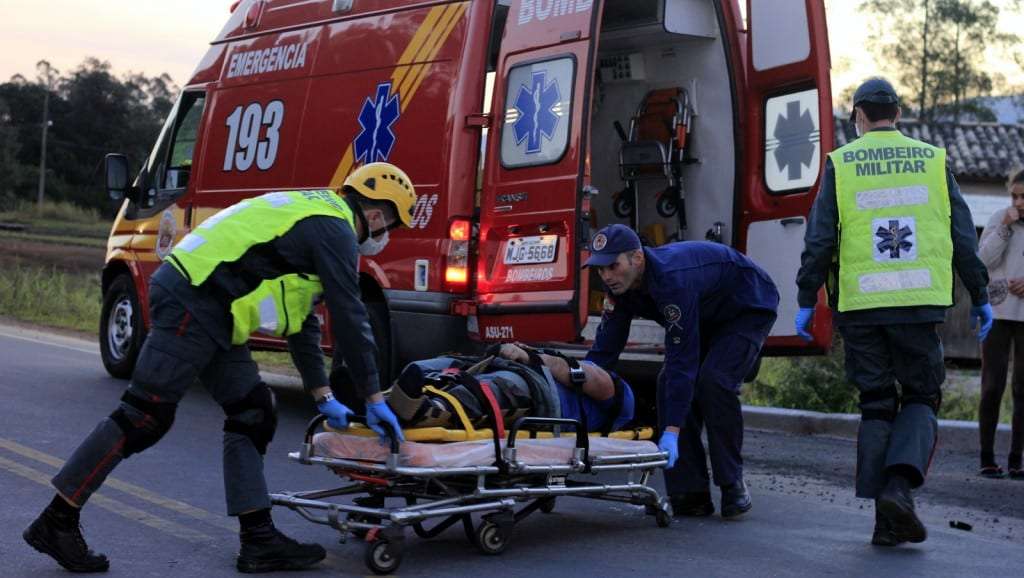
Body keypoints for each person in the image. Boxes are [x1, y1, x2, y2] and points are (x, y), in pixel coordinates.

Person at [23, 162, 415, 574]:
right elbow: (351, 316)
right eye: (391, 225)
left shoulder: (315, 213)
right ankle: (57, 521)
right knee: (144, 415)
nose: (386, 236)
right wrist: (374, 396)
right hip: (194, 299)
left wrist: (323, 395)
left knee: (253, 411)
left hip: (215, 311)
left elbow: (302, 322)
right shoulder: (336, 230)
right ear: (376, 215)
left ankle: (259, 541)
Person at [795, 77, 993, 547]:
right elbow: (963, 235)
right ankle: (898, 492)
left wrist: (807, 299)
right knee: (922, 398)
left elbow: (820, 240)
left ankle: (886, 519)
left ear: (858, 116)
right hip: (918, 304)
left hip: (861, 307)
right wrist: (981, 295)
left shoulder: (841, 164)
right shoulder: (932, 160)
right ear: (898, 113)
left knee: (877, 402)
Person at [583, 224, 779, 518]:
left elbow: (681, 361)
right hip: (705, 313)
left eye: (613, 265)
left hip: (746, 308)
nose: (607, 276)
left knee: (713, 382)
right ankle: (689, 493)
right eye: (600, 269)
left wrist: (671, 432)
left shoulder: (672, 280)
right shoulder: (621, 288)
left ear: (637, 258)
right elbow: (605, 351)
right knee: (668, 384)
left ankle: (732, 484)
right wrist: (580, 384)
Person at [385, 343, 635, 433]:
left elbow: (578, 375)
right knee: (441, 368)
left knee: (495, 388)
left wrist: (530, 356)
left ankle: (431, 410)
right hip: (523, 374)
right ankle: (387, 399)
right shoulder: (614, 397)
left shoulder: (623, 399)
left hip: (543, 398)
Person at [976, 167, 1024, 480]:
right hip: (997, 312)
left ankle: (1017, 459)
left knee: (1023, 389)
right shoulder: (998, 218)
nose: (1018, 202)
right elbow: (982, 261)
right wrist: (1005, 229)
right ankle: (987, 458)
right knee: (992, 386)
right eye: (1014, 196)